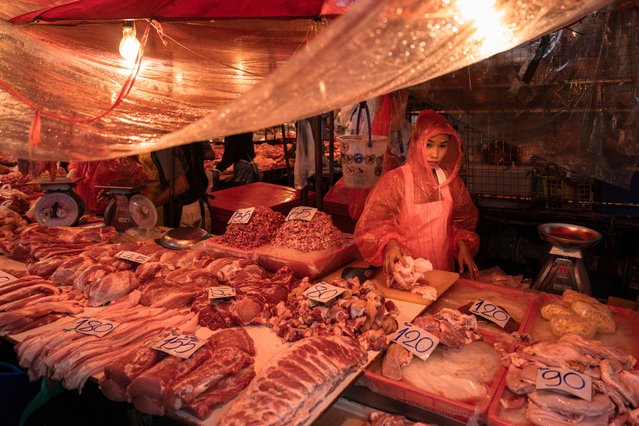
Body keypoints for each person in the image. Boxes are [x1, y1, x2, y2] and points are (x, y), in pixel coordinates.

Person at [354, 110, 480, 280]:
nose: (435, 154)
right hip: (406, 275)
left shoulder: (450, 180)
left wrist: (461, 243)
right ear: (416, 142)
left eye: (442, 145)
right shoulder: (396, 181)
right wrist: (389, 243)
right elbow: (373, 226)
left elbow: (460, 222)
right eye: (429, 144)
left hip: (443, 273)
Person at [151, 142, 212, 228]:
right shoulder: (189, 132)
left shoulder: (164, 144)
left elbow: (181, 186)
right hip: (198, 204)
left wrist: (149, 204)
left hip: (184, 210)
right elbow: (209, 154)